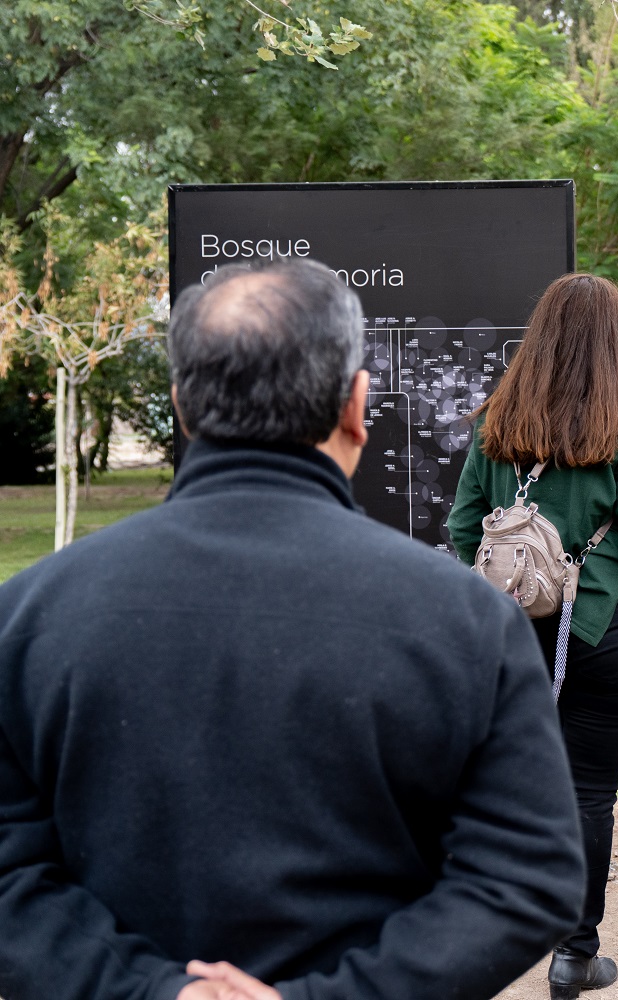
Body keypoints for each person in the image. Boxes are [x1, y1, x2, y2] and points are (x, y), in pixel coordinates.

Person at [0, 259, 587, 1000]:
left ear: (183, 406)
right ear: (356, 405)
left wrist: (149, 990)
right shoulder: (466, 623)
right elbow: (526, 877)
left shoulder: (27, 617)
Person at [447, 272, 618, 1000]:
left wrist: (502, 602)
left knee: (508, 787)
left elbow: (462, 527)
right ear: (611, 343)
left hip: (513, 639)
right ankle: (574, 955)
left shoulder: (498, 419)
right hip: (605, 634)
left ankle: (487, 933)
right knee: (588, 793)